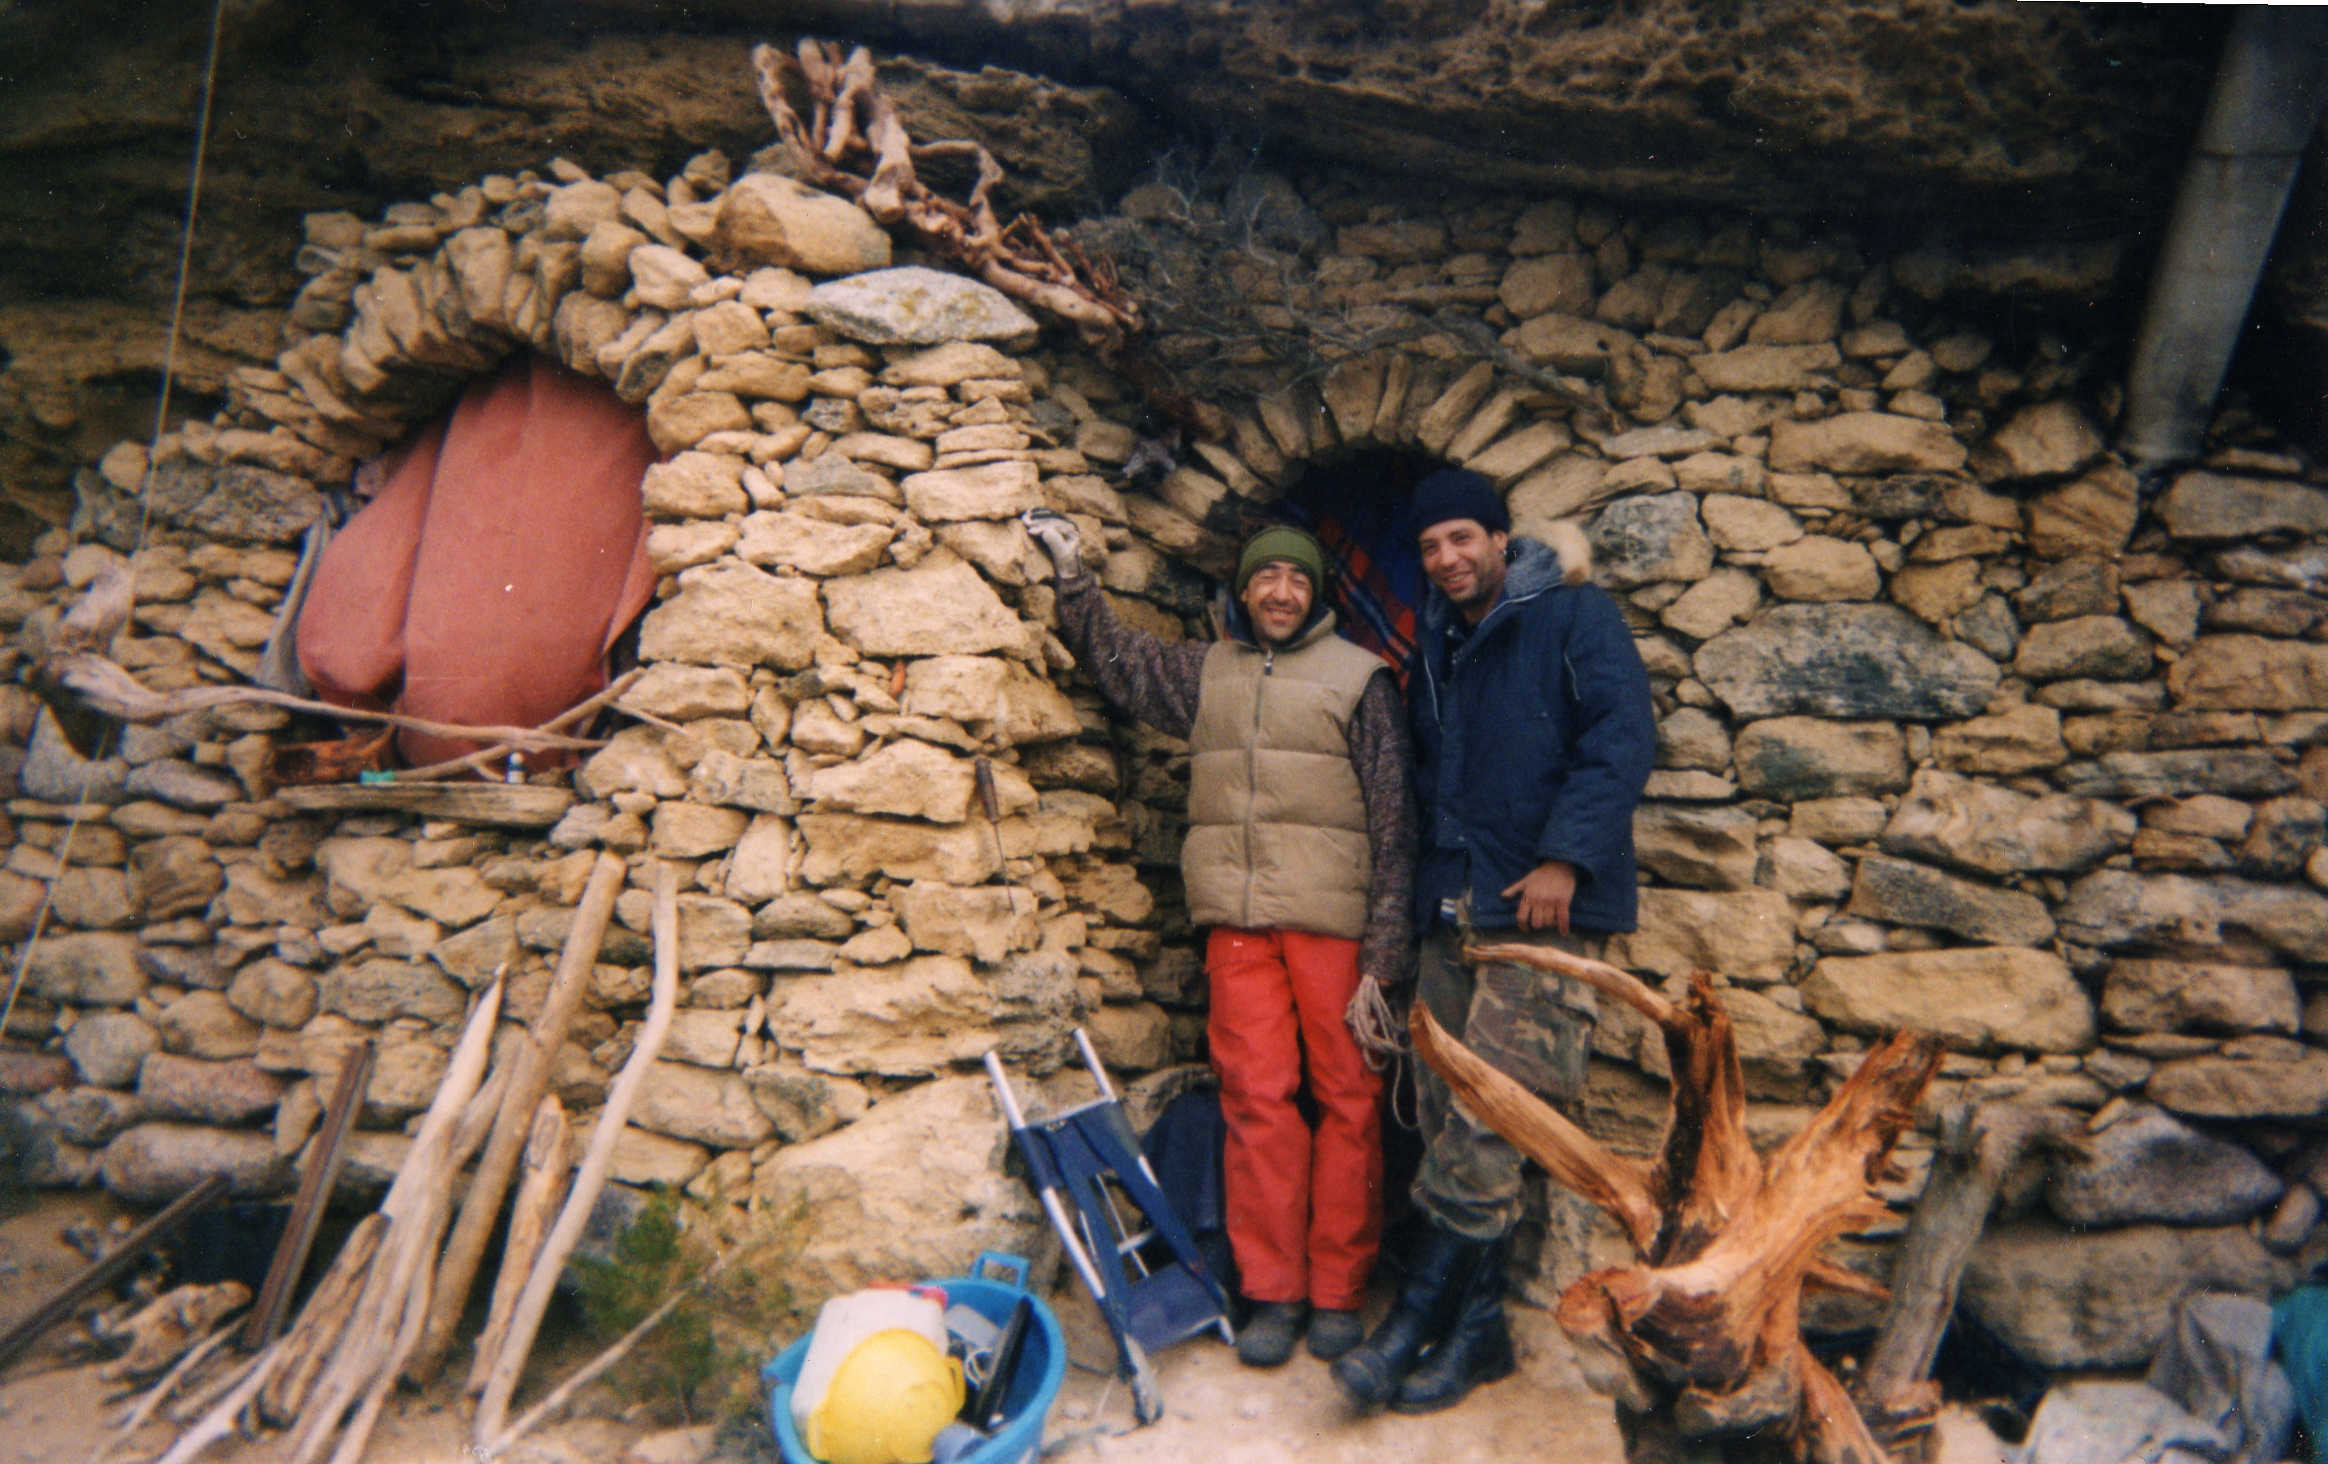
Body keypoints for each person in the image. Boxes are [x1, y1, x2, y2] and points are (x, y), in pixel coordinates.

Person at [1024, 511, 1415, 1369]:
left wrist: (1385, 955)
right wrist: (1074, 579)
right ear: (1244, 592)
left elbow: (1395, 821)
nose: (1281, 593)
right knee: (1256, 1103)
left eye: (1298, 581)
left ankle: (1339, 1293)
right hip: (1237, 929)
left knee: (1349, 1106)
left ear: (1316, 596)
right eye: (1267, 579)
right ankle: (1273, 1291)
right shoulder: (1207, 671)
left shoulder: (1361, 679)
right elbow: (1120, 664)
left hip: (1334, 931)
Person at [1333, 468, 1656, 1414]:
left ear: (1500, 541)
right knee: (1441, 1118)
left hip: (1538, 910)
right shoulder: (1435, 642)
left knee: (1489, 1126)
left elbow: (1621, 735)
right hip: (1454, 911)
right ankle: (1476, 1335)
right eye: (1431, 547)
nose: (1446, 559)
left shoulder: (1571, 618)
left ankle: (1407, 1333)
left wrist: (1567, 859)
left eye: (1462, 539)